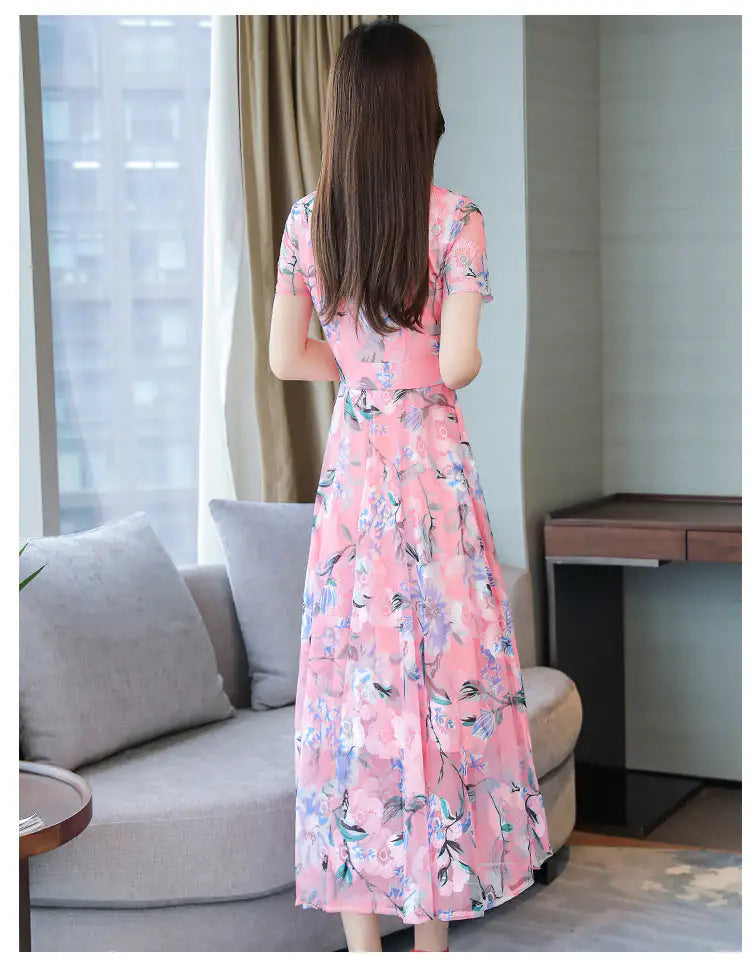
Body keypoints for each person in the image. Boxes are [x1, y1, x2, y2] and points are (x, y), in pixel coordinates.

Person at [269, 19, 553, 954]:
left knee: (356, 700)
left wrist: (360, 367)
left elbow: (284, 355)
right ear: (420, 109)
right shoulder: (456, 217)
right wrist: (412, 364)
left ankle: (362, 950)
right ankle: (428, 946)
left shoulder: (308, 222)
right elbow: (461, 362)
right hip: (427, 476)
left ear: (345, 110)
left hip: (353, 479)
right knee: (437, 690)